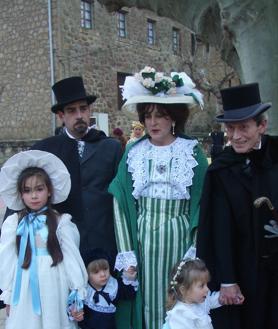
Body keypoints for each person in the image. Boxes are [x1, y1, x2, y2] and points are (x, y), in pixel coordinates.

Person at [109, 66, 208, 329]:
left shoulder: (192, 152)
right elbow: (120, 200)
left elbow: (202, 204)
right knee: (149, 302)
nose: (153, 122)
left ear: (173, 118)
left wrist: (193, 250)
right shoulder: (134, 152)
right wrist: (127, 253)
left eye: (161, 116)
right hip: (144, 239)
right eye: (148, 115)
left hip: (179, 239)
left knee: (178, 302)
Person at [196, 83, 278, 329]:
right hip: (244, 268)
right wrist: (228, 279)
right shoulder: (221, 170)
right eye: (230, 128)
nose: (236, 136)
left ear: (261, 126)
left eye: (244, 127)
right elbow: (219, 228)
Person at [31, 76, 122, 260]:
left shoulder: (110, 147)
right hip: (62, 244)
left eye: (83, 108)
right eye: (71, 110)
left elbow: (122, 196)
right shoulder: (45, 151)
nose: (79, 115)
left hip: (104, 243)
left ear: (89, 110)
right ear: (61, 116)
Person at [0, 150, 88, 329]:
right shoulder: (14, 223)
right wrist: (8, 294)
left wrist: (77, 291)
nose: (33, 196)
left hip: (54, 281)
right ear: (20, 194)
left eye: (39, 189)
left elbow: (71, 257)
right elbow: (7, 259)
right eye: (27, 190)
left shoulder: (61, 222)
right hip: (24, 283)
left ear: (49, 191)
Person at [162, 248, 223, 329]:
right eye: (201, 286)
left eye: (206, 284)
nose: (207, 289)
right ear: (183, 290)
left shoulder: (199, 302)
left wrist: (223, 296)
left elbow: (211, 301)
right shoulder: (180, 314)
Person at [77, 248, 138, 329]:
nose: (103, 274)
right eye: (96, 272)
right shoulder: (85, 289)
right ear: (87, 274)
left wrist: (129, 276)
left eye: (105, 269)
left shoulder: (113, 285)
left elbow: (129, 293)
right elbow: (76, 308)